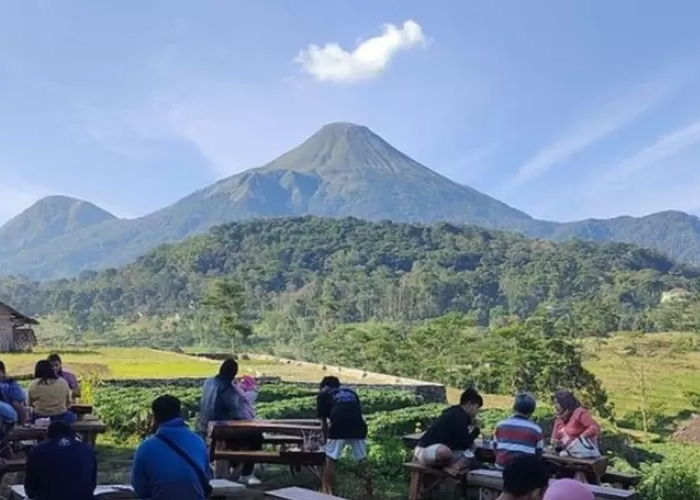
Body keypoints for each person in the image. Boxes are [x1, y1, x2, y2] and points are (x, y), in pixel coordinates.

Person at [132, 395, 211, 500]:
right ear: (180, 414)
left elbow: (139, 489)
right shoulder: (199, 442)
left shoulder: (145, 448)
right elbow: (206, 478)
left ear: (155, 418)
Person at [198, 359, 263, 485]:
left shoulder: (208, 382)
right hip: (220, 430)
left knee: (244, 438)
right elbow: (236, 412)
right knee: (256, 436)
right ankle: (246, 473)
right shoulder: (227, 388)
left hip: (204, 426)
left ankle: (234, 465)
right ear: (233, 374)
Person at [317, 376, 373, 498]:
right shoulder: (351, 392)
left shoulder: (323, 395)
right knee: (362, 459)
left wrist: (326, 442)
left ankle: (328, 495)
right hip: (358, 426)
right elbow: (355, 412)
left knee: (331, 459)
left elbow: (324, 423)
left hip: (339, 425)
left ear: (325, 387)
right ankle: (369, 493)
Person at [414, 387, 483, 476]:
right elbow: (464, 443)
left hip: (430, 452)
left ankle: (454, 467)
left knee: (471, 454)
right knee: (447, 452)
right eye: (477, 408)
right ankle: (455, 467)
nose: (477, 412)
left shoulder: (454, 412)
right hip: (427, 451)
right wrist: (476, 429)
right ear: (470, 405)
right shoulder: (459, 417)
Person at [24, 420, 97, 500]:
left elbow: (30, 489)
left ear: (48, 435)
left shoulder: (37, 451)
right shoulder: (87, 450)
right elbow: (92, 484)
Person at [493, 393, 544, 468]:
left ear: (514, 408)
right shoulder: (536, 430)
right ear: (532, 411)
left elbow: (495, 449)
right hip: (524, 470)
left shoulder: (500, 425)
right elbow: (538, 454)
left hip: (501, 467)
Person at [0, 360, 25, 425]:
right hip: (8, 415)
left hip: (8, 415)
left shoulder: (7, 384)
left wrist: (12, 382)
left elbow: (20, 397)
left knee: (16, 404)